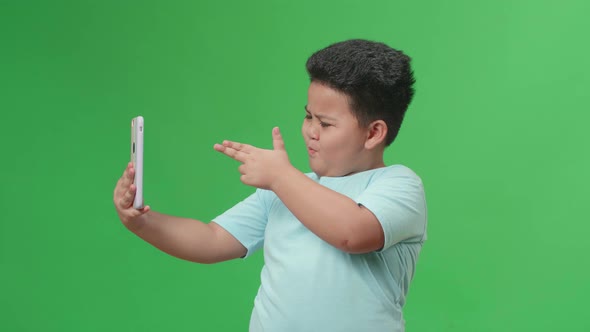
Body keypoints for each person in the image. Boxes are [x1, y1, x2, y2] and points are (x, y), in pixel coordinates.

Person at [113, 39, 427, 332]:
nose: (310, 132)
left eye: (326, 124)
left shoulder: (398, 185)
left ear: (373, 133)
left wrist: (280, 176)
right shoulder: (285, 188)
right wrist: (142, 222)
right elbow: (211, 239)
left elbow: (352, 233)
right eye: (308, 117)